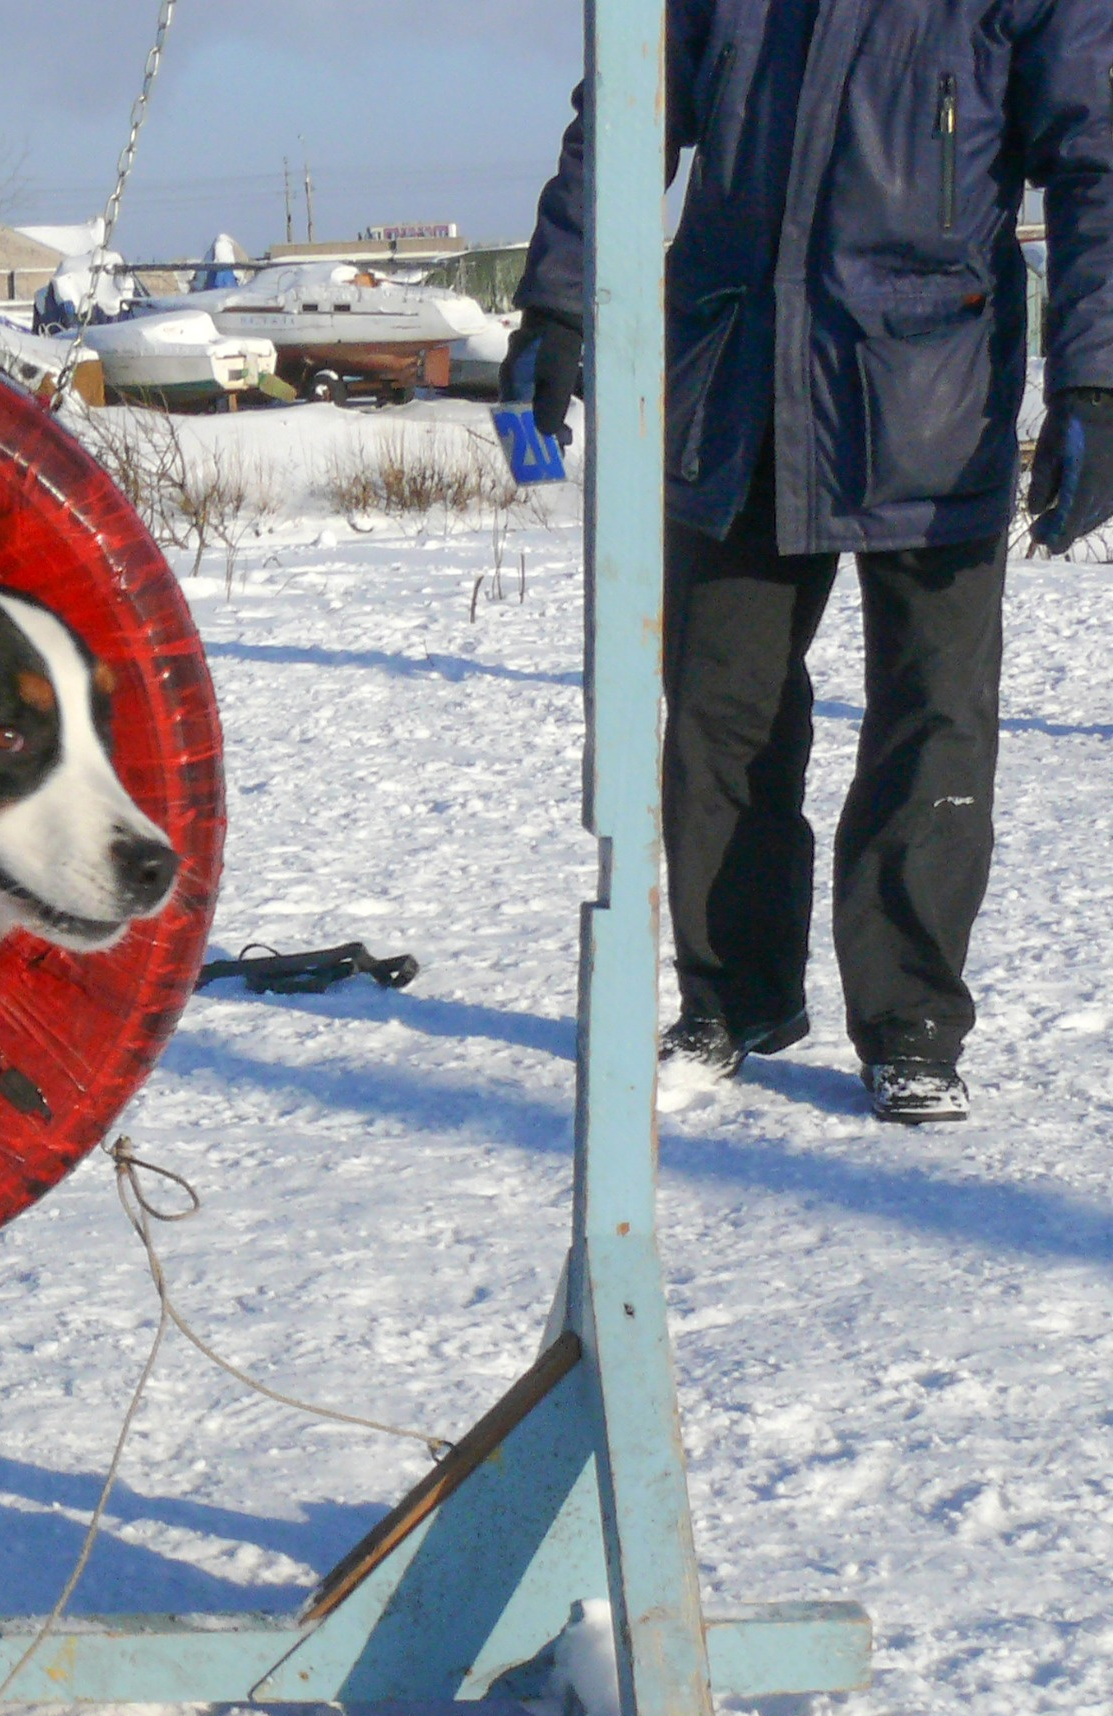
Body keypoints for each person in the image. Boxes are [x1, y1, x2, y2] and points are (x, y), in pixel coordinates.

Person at [510, 0, 1113, 1123]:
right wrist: (554, 301)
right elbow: (629, 111)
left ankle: (910, 1024)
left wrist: (1095, 380)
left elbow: (1096, 165)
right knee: (718, 709)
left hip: (929, 395)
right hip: (737, 384)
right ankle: (732, 997)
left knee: (933, 721)